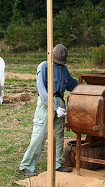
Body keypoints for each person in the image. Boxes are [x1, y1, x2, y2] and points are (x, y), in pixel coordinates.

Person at [19, 44, 78, 177]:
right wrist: (55, 108)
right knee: (40, 134)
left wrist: (86, 87)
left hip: (59, 102)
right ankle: (26, 166)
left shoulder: (63, 69)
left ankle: (57, 164)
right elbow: (42, 91)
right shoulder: (44, 66)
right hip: (47, 103)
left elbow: (71, 84)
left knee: (59, 135)